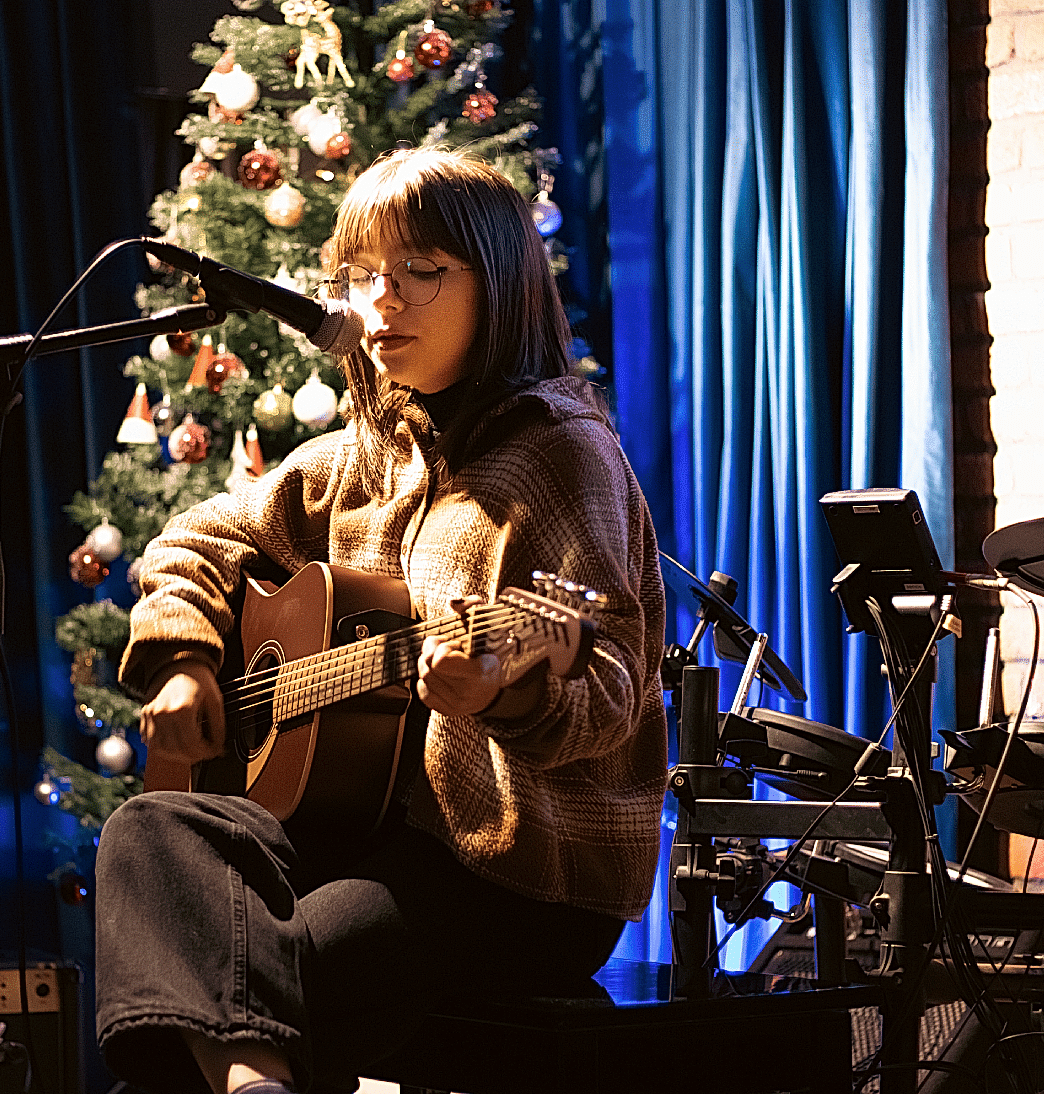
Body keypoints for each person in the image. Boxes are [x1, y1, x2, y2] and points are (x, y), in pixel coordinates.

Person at [94, 148, 667, 1094]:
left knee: (189, 1014)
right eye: (362, 276)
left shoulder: (562, 455)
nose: (382, 301)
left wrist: (503, 689)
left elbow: (610, 681)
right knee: (150, 828)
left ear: (501, 284)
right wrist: (186, 661)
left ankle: (247, 1081)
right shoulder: (367, 452)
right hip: (367, 837)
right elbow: (194, 537)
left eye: (420, 271)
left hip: (517, 871)